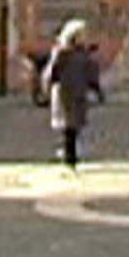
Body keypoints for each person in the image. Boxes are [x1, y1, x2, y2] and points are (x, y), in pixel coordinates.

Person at [40, 19, 102, 167]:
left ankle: (72, 154)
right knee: (68, 126)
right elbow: (52, 72)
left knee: (75, 126)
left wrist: (96, 88)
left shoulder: (83, 53)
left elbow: (90, 73)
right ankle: (70, 157)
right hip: (65, 93)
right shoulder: (62, 53)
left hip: (78, 93)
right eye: (81, 35)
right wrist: (47, 88)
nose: (84, 38)